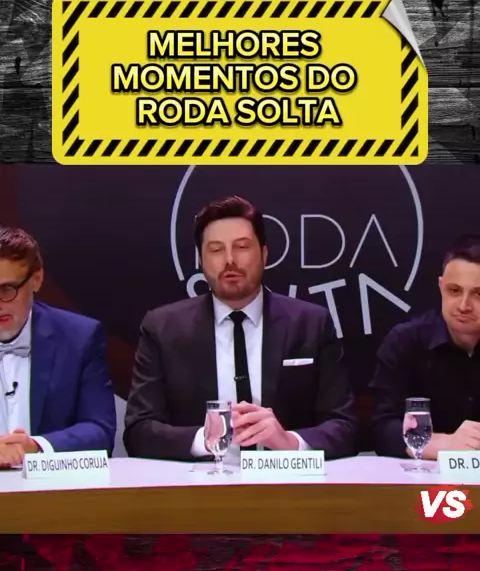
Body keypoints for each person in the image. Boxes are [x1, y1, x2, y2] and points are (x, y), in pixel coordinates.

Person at [124, 196, 357, 461]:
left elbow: (345, 428)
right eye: (216, 250)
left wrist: (290, 443)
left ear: (264, 254)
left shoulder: (311, 324)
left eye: (242, 247)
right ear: (201, 260)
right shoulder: (163, 328)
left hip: (287, 480)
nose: (229, 260)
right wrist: (207, 438)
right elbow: (139, 431)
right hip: (200, 481)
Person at [0, 226, 116, 467]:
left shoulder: (79, 338)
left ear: (36, 279)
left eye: (7, 290)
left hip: (51, 486)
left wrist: (35, 447)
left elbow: (99, 431)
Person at [370, 235, 480, 459]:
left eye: (479, 294)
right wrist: (441, 444)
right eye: (454, 290)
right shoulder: (405, 341)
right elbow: (382, 428)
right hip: (423, 471)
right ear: (441, 286)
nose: (463, 306)